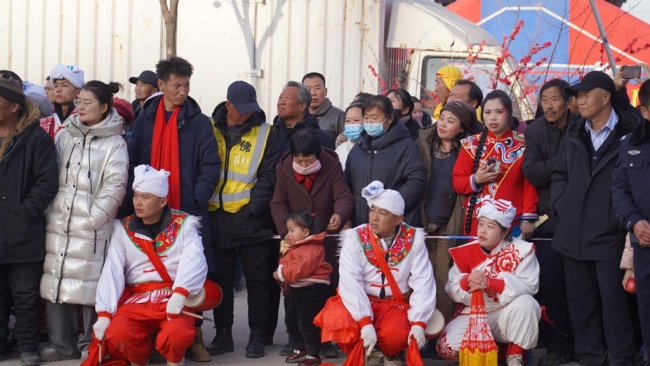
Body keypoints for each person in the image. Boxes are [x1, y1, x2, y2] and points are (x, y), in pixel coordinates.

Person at [551, 71, 639, 366]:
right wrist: (563, 205)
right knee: (580, 302)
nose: (579, 101)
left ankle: (621, 359)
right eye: (577, 95)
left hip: (611, 234)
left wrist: (618, 217)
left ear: (605, 97)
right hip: (572, 232)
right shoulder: (574, 131)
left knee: (615, 303)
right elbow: (559, 173)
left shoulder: (631, 132)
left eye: (587, 94)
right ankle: (589, 358)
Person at [39, 81, 129, 362]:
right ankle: (61, 344)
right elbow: (49, 174)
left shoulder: (115, 142)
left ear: (104, 107)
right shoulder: (65, 136)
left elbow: (116, 185)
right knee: (58, 280)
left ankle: (90, 342)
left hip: (91, 226)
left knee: (91, 285)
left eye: (87, 102)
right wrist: (49, 211)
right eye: (79, 101)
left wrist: (94, 219)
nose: (80, 106)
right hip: (58, 219)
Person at [87, 164, 208, 366]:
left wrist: (180, 293)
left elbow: (195, 259)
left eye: (145, 197)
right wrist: (105, 313)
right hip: (138, 300)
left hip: (172, 296)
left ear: (162, 201)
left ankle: (174, 361)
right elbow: (112, 269)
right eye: (136, 196)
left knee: (177, 332)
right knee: (118, 332)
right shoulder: (122, 229)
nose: (138, 203)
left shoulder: (184, 225)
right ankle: (138, 359)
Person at [315, 181, 436, 366]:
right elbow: (350, 282)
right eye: (372, 210)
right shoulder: (355, 238)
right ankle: (369, 347)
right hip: (362, 299)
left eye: (383, 213)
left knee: (394, 337)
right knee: (340, 321)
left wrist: (419, 323)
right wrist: (364, 321)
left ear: (398, 219)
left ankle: (392, 352)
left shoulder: (414, 240)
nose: (374, 218)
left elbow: (423, 282)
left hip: (395, 305)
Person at [206, 80, 279, 359]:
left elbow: (268, 176)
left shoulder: (265, 133)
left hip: (250, 218)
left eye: (251, 109)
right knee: (222, 279)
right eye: (241, 110)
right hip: (217, 216)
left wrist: (252, 209)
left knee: (257, 279)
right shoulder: (210, 128)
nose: (246, 114)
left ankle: (257, 336)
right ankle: (223, 334)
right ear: (228, 105)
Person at [271, 129, 353, 357]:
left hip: (322, 240)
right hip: (294, 242)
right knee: (292, 291)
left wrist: (340, 214)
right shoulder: (284, 167)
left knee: (322, 292)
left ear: (318, 155)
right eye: (300, 160)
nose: (304, 165)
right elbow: (277, 203)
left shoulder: (331, 165)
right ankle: (295, 340)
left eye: (309, 160)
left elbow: (344, 196)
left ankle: (324, 340)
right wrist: (285, 231)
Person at [436, 197, 541, 366]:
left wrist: (491, 283)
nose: (483, 231)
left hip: (506, 312)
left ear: (505, 231)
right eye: (481, 224)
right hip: (474, 311)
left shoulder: (522, 250)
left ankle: (515, 356)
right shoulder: (465, 252)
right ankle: (496, 351)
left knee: (527, 303)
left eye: (490, 226)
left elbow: (530, 285)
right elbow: (452, 287)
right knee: (446, 347)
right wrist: (466, 281)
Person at [0, 78, 59, 366]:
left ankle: (27, 346)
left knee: (24, 294)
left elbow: (47, 182)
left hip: (23, 229)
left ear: (13, 107)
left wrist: (27, 210)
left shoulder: (35, 138)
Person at [522, 79, 574, 366]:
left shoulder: (580, 125)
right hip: (549, 223)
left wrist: (552, 163)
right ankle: (556, 345)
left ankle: (583, 344)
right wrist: (564, 161)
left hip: (580, 220)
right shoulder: (535, 131)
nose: (549, 106)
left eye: (555, 99)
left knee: (579, 288)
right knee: (550, 286)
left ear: (568, 102)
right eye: (544, 100)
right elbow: (533, 172)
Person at [416, 101, 479, 323]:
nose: (443, 124)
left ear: (462, 128)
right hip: (421, 222)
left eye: (451, 121)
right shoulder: (422, 143)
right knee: (421, 279)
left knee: (444, 280)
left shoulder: (468, 153)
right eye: (442, 118)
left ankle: (440, 332)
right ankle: (419, 328)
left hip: (449, 225)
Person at [452, 90, 538, 238]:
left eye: (499, 112)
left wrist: (528, 217)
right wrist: (476, 179)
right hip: (477, 223)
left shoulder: (523, 144)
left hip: (512, 223)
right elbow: (457, 181)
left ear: (509, 113)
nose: (492, 117)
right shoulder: (470, 145)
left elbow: (529, 184)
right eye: (487, 112)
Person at [612, 78, 650, 366]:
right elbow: (620, 188)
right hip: (644, 241)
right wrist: (634, 221)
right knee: (646, 308)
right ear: (645, 111)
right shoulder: (630, 144)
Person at [346, 95, 426, 227]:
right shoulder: (359, 147)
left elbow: (416, 180)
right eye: (366, 118)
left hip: (393, 225)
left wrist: (390, 206)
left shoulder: (405, 146)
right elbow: (347, 183)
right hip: (361, 225)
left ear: (389, 118)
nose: (370, 122)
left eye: (375, 118)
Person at [273, 211, 333, 366]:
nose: (289, 234)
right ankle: (300, 348)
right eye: (288, 230)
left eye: (292, 230)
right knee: (291, 321)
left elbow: (301, 268)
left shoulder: (311, 247)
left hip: (312, 290)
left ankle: (313, 354)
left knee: (306, 323)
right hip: (297, 289)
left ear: (305, 232)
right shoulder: (298, 246)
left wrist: (282, 273)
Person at [272, 81, 335, 154]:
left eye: (287, 98)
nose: (281, 102)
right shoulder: (269, 135)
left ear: (302, 106)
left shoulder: (323, 139)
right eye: (280, 98)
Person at [302, 72, 345, 137]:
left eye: (317, 88)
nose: (313, 93)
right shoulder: (299, 115)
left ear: (325, 91)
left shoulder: (339, 116)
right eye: (308, 89)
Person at [49, 64, 85, 130]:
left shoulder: (83, 117)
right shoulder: (48, 120)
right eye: (56, 86)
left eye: (64, 85)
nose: (58, 90)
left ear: (78, 92)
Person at [336, 103, 363, 170]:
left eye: (356, 120)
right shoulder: (340, 150)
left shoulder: (373, 149)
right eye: (347, 121)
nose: (351, 124)